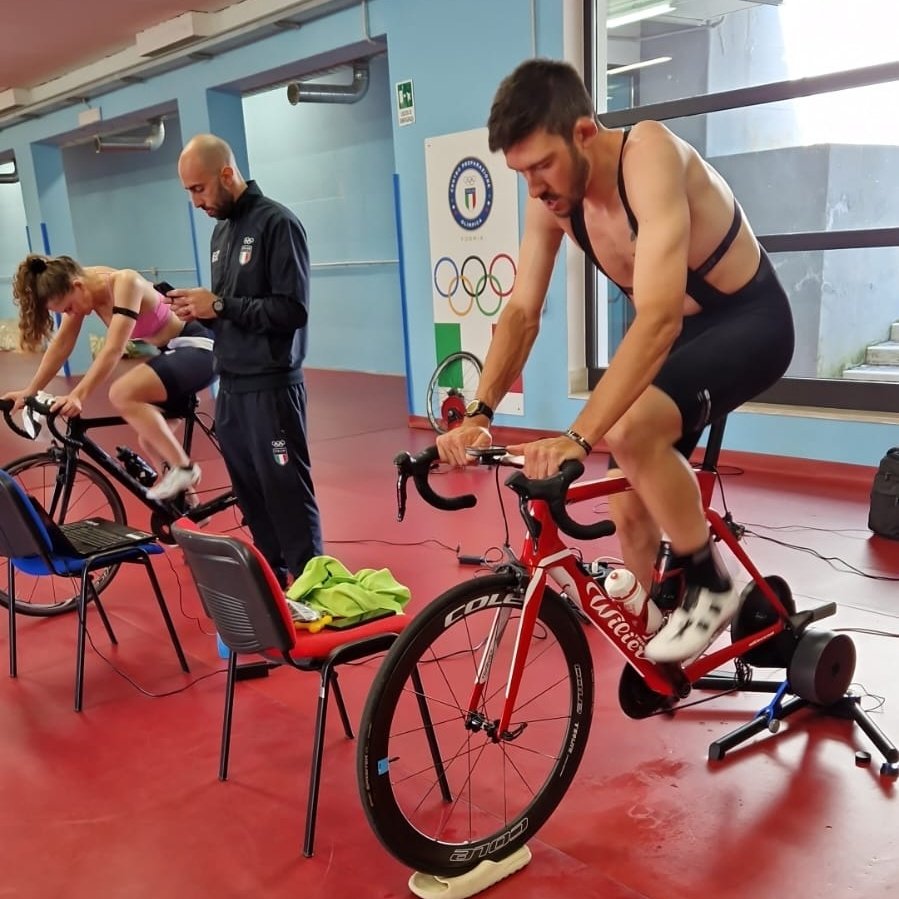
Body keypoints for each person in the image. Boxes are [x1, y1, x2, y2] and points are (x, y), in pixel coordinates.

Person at [437, 59, 795, 664]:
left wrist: (579, 434)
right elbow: (523, 310)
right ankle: (656, 624)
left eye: (542, 165)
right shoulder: (552, 201)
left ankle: (710, 583)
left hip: (749, 321)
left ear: (583, 132)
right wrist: (479, 411)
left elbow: (656, 319)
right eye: (521, 172)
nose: (536, 186)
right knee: (627, 493)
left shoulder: (649, 155)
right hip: (681, 335)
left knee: (629, 431)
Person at [168, 133, 323, 587]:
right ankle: (276, 596)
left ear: (227, 174)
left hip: (272, 388)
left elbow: (291, 310)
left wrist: (218, 306)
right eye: (188, 193)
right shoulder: (221, 233)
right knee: (253, 499)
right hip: (231, 388)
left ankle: (317, 592)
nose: (196, 202)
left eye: (199, 189)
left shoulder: (278, 224)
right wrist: (199, 313)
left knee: (287, 498)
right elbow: (230, 312)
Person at [3, 255, 214, 501]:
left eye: (69, 308)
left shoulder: (125, 282)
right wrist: (29, 391)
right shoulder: (80, 287)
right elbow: (62, 345)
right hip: (172, 352)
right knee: (150, 438)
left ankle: (185, 469)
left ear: (77, 286)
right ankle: (190, 508)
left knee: (122, 392)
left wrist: (77, 395)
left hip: (198, 346)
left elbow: (114, 348)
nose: (70, 314)